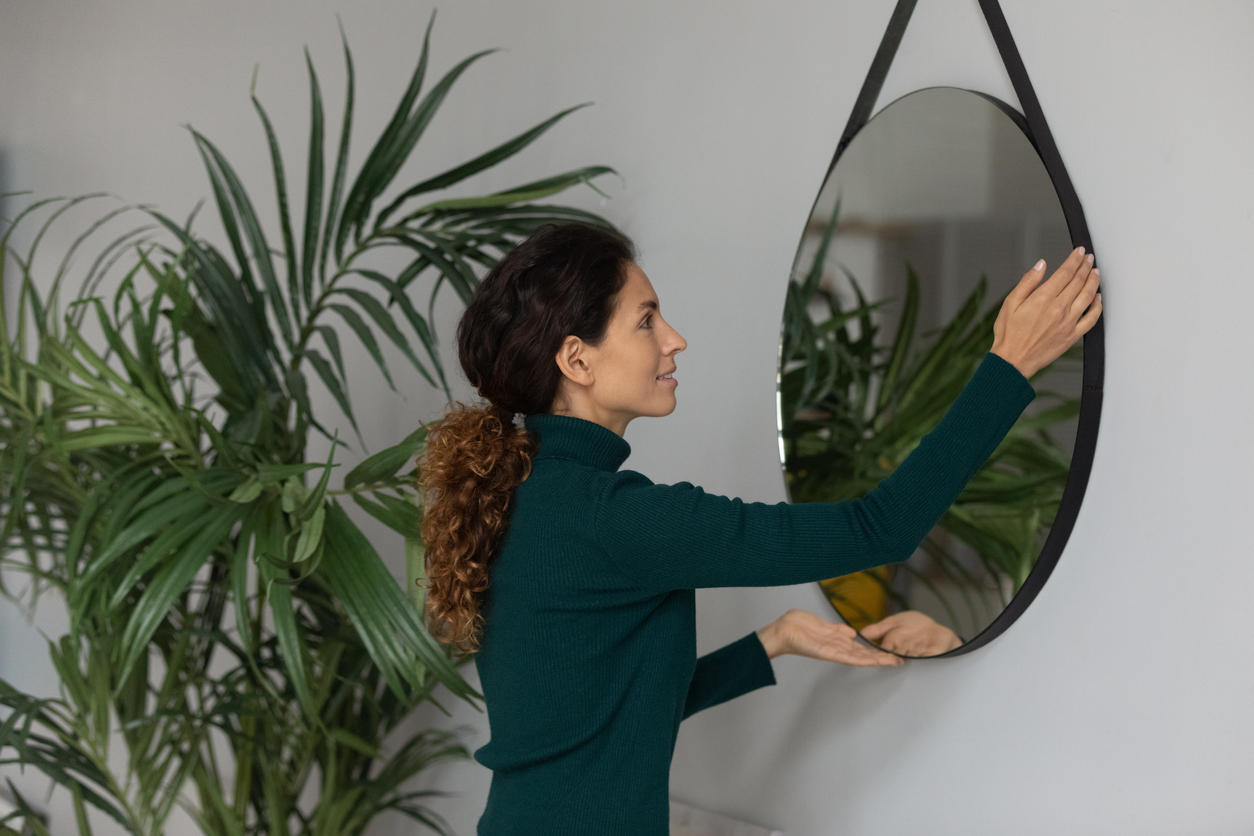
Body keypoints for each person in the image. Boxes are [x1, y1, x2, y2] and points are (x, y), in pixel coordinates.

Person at [417, 223, 1102, 835]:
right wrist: (1009, 368)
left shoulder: (523, 493)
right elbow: (880, 528)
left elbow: (606, 721)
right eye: (646, 321)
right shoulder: (617, 516)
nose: (674, 339)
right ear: (578, 360)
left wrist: (774, 642)